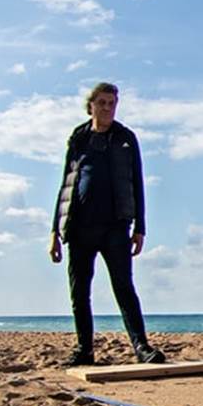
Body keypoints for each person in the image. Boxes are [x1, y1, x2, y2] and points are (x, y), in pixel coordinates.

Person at [48, 82, 165, 366]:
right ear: (91, 106)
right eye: (102, 102)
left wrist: (140, 226)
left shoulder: (125, 138)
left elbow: (137, 182)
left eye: (112, 102)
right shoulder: (78, 138)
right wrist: (55, 230)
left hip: (116, 226)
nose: (108, 107)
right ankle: (84, 349)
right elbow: (66, 184)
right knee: (79, 291)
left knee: (124, 286)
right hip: (79, 227)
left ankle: (141, 347)